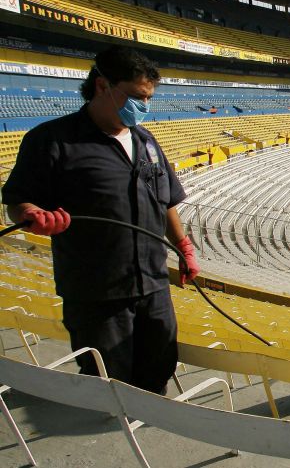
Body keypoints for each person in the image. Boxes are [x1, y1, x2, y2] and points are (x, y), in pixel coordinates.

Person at [1, 46, 199, 394]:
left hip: (152, 283)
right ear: (103, 86)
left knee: (158, 369)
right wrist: (32, 215)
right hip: (97, 293)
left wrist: (183, 245)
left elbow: (166, 198)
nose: (144, 106)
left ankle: (150, 423)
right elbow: (18, 201)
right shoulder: (52, 140)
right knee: (109, 382)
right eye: (137, 96)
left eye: (149, 98)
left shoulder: (146, 140)